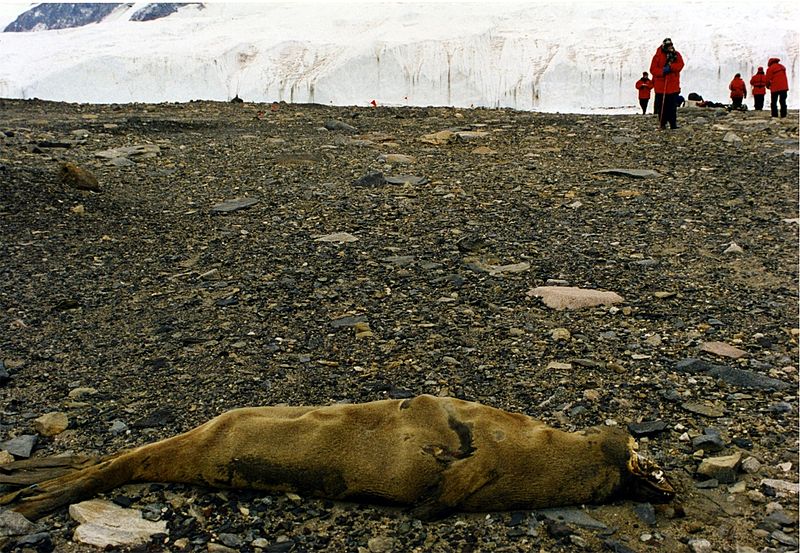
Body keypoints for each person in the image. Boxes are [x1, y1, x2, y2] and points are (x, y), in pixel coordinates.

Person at [650, 37, 685, 129]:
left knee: (672, 107)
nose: (670, 47)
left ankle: (673, 124)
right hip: (661, 87)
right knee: (662, 107)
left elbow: (680, 65)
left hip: (673, 86)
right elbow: (653, 70)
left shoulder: (676, 55)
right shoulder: (657, 56)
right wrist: (663, 71)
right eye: (668, 46)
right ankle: (662, 123)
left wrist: (671, 67)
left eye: (671, 45)